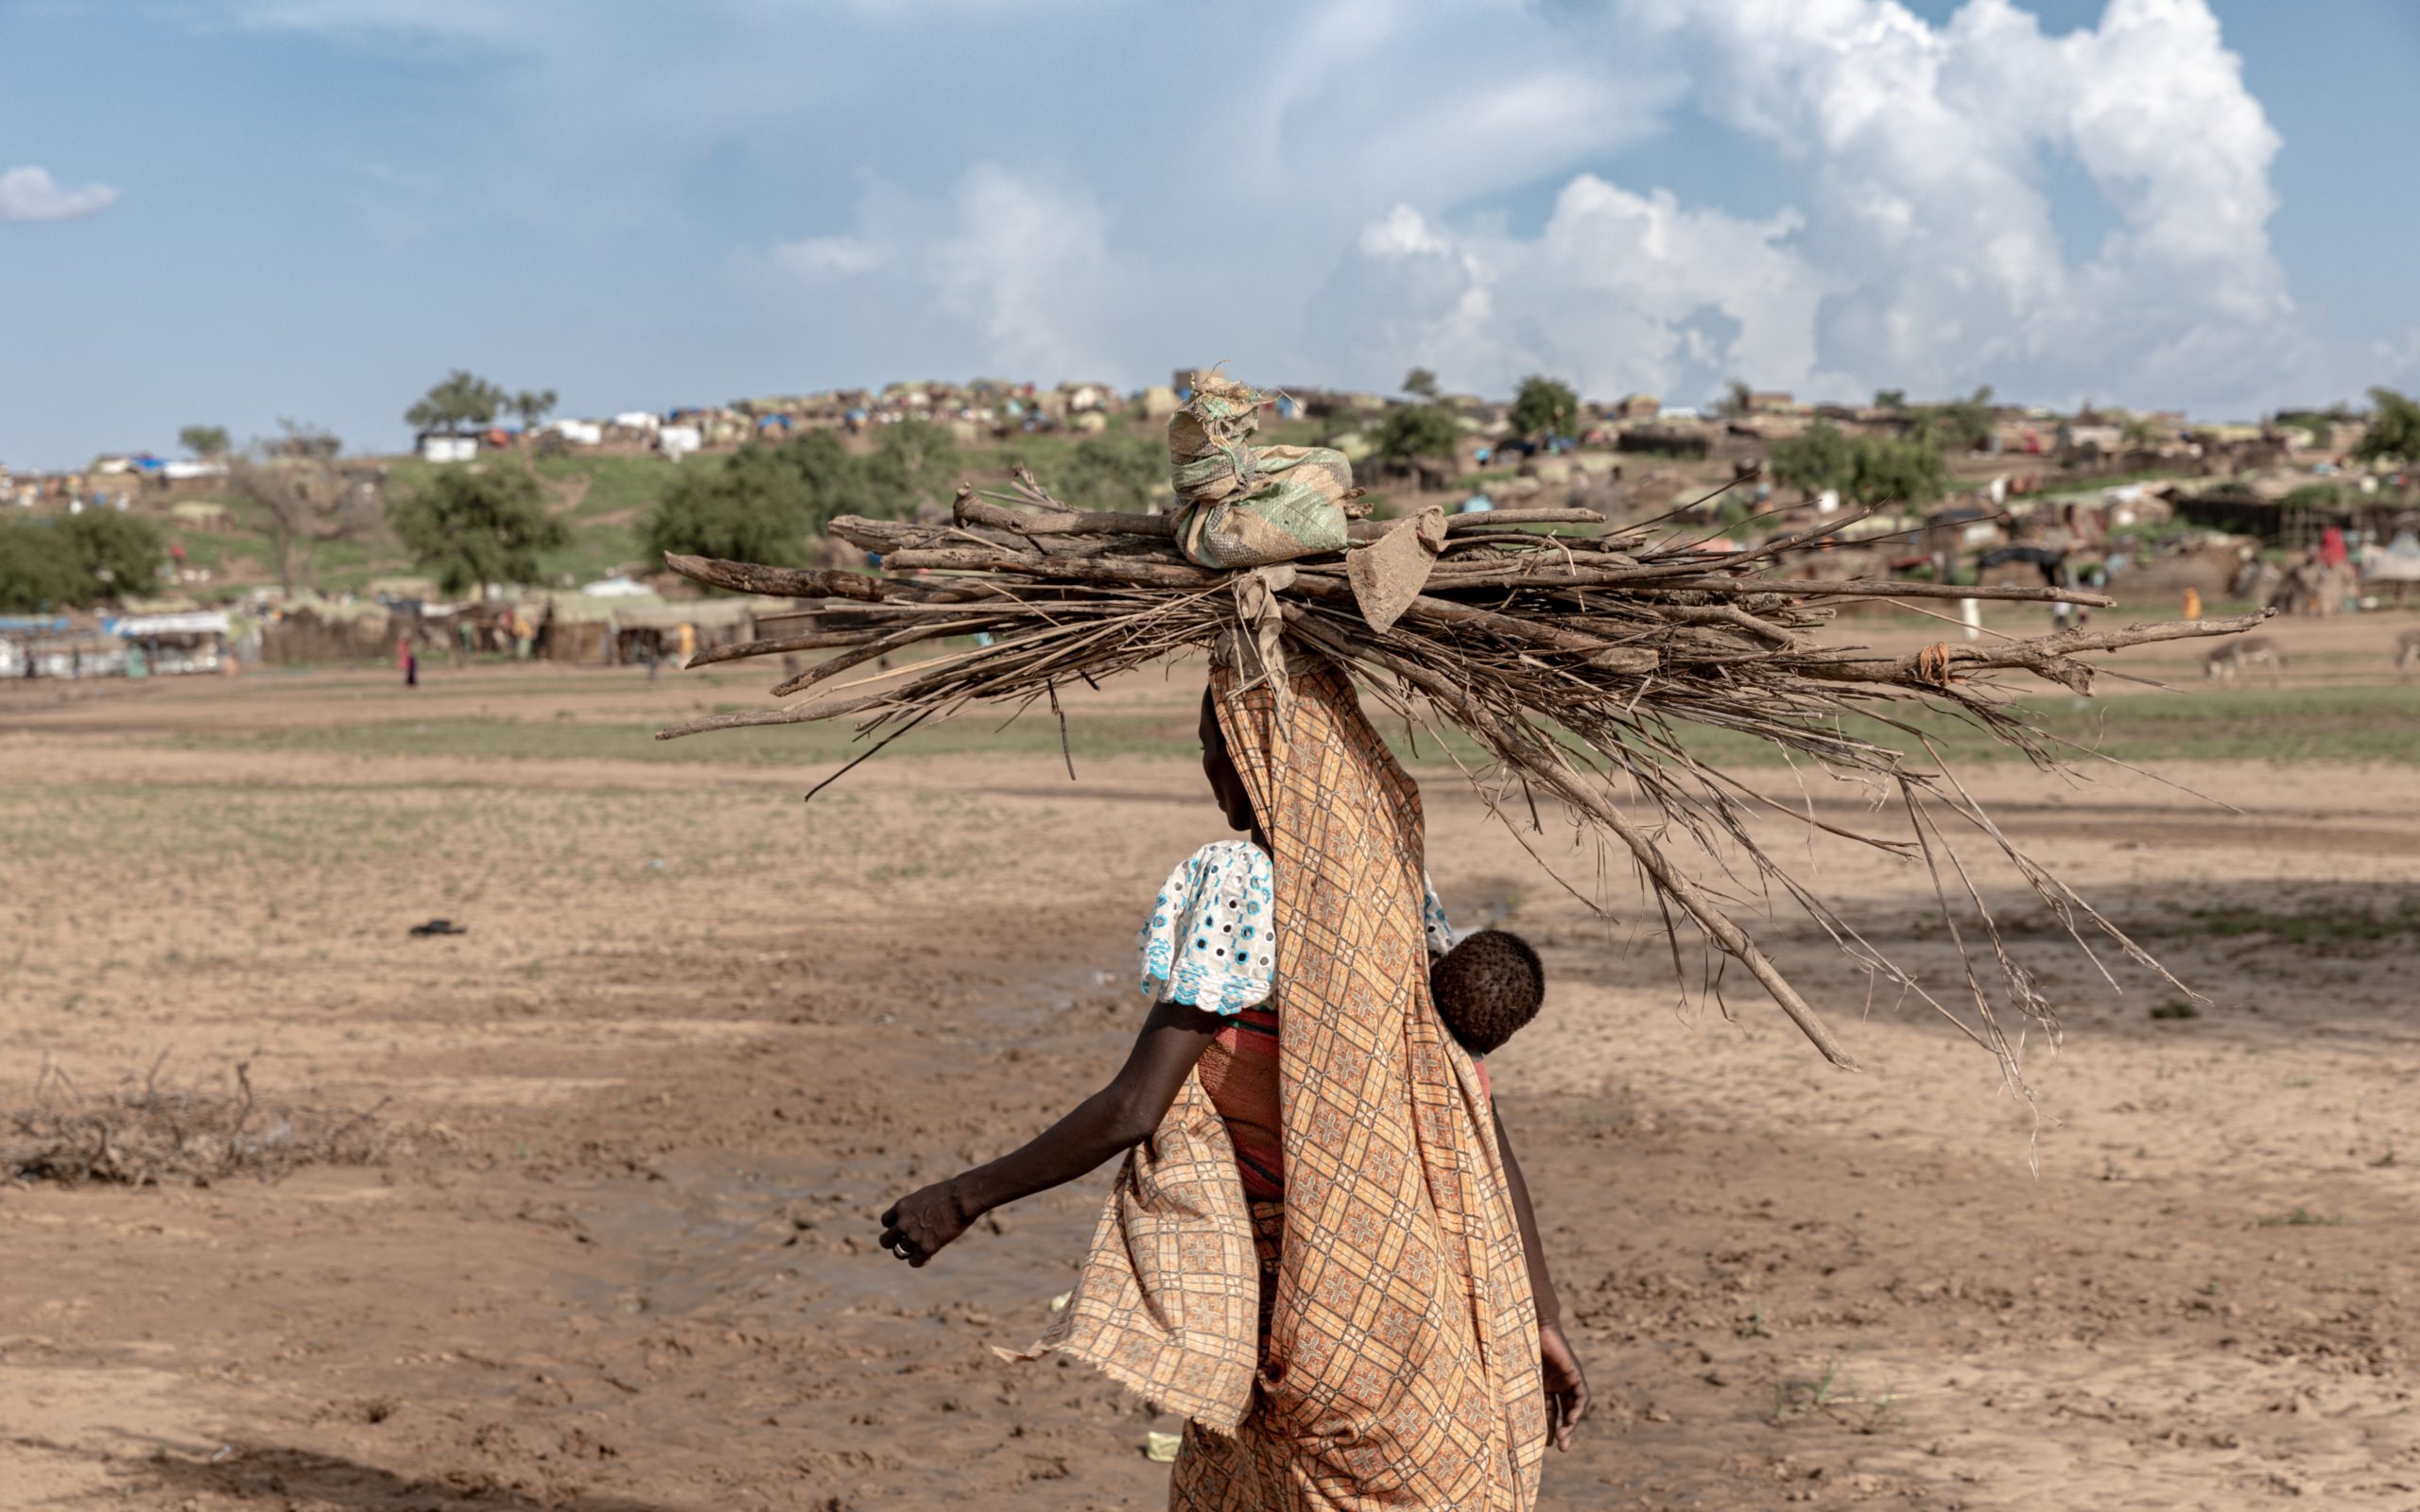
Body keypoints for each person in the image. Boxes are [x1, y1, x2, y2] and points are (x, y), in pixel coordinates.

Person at [882, 662, 1584, 1506]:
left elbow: (1133, 1108)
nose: (1211, 769)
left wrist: (960, 1199)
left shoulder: (1243, 881)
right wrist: (1535, 1314)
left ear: (1260, 760)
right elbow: (1471, 1112)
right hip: (1419, 1296)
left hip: (1302, 1302)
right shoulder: (1388, 880)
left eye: (1217, 747)